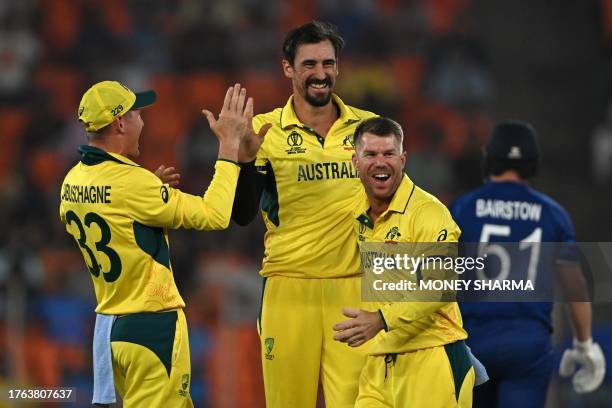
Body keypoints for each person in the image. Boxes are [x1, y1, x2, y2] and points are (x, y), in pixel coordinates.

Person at [59, 81, 259, 407]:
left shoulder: (72, 181)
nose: (143, 120)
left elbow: (115, 218)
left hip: (113, 326)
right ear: (120, 122)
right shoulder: (134, 185)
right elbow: (214, 215)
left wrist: (152, 193)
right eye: (136, 112)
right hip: (153, 325)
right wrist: (228, 145)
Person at [231, 21, 377, 407]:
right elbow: (242, 214)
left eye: (328, 63)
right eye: (309, 64)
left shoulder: (369, 129)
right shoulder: (262, 131)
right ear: (288, 69)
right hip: (289, 290)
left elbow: (396, 210)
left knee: (360, 402)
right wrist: (243, 162)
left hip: (354, 289)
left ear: (338, 67)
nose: (320, 73)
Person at [449, 121, 606, 407]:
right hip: (527, 343)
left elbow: (436, 277)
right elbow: (575, 286)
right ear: (533, 163)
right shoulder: (553, 213)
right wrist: (584, 343)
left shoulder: (460, 208)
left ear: (490, 159)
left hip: (471, 340)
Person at [332, 117, 475, 407]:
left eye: (389, 154)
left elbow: (440, 287)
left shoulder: (429, 213)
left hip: (433, 358)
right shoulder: (355, 212)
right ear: (355, 162)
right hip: (378, 364)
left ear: (403, 159)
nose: (380, 162)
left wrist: (381, 319)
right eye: (370, 154)